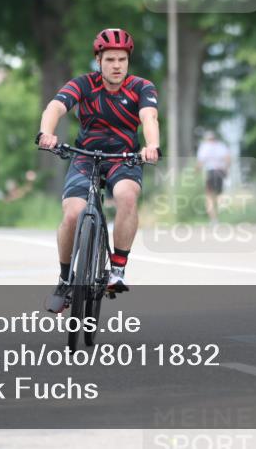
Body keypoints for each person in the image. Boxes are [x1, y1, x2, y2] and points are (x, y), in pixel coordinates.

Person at [36, 28, 160, 313]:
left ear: (128, 61)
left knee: (127, 196)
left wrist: (151, 145)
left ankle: (117, 269)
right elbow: (54, 108)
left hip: (124, 157)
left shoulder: (142, 87)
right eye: (110, 60)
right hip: (85, 156)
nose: (116, 65)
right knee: (72, 214)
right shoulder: (83, 84)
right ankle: (66, 280)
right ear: (98, 60)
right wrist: (47, 133)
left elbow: (149, 117)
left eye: (121, 59)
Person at [196, 130, 231, 225]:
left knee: (209, 197)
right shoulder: (221, 146)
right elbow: (228, 158)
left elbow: (200, 162)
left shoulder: (204, 146)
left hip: (210, 172)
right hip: (220, 171)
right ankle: (220, 212)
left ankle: (214, 219)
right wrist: (227, 169)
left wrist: (196, 171)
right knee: (218, 194)